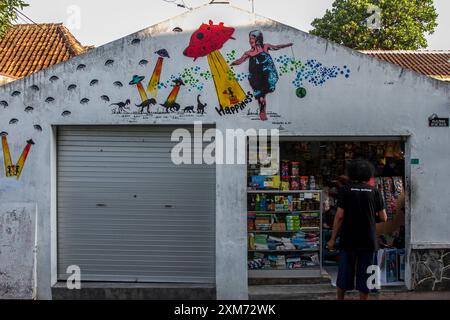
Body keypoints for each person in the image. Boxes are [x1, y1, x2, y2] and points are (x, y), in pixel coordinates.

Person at [327, 159, 387, 300]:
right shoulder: (375, 192)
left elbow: (340, 216)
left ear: (352, 173)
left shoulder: (345, 190)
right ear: (368, 175)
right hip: (368, 240)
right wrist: (370, 218)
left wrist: (332, 239)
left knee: (344, 273)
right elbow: (383, 217)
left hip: (348, 240)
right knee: (366, 274)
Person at [231, 30, 292, 121]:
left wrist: (287, 45)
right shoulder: (248, 53)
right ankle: (262, 109)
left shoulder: (265, 47)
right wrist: (232, 63)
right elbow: (240, 60)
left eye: (252, 38)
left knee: (264, 90)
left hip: (267, 75)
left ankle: (262, 104)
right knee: (260, 96)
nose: (250, 40)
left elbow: (276, 47)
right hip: (256, 78)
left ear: (258, 39)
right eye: (249, 38)